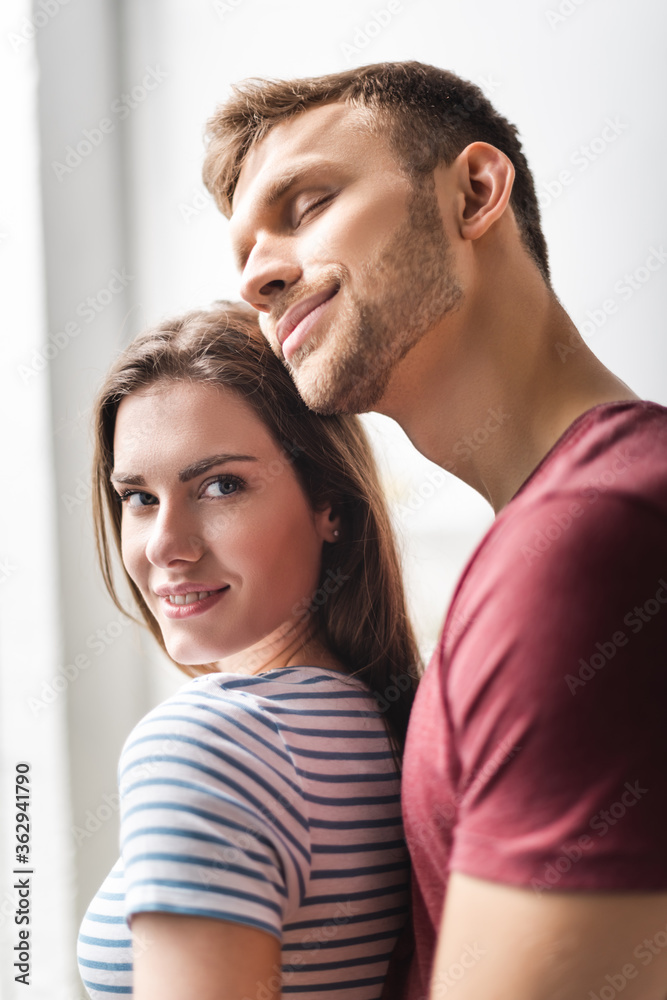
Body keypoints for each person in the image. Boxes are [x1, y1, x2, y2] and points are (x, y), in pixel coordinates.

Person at [202, 62, 667, 1000]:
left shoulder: (592, 542)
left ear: (475, 192)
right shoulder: (565, 527)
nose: (258, 277)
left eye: (307, 203)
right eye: (245, 253)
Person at [76, 301, 420, 1000]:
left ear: (329, 503)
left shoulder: (203, 745)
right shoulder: (389, 724)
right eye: (138, 497)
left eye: (220, 485)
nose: (166, 545)